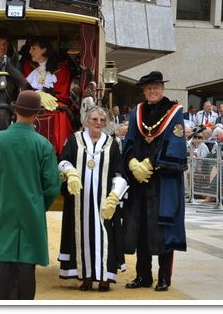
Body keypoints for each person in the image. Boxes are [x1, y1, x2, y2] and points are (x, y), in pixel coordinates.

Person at [0, 90, 61, 300]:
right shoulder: (44, 145)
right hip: (32, 211)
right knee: (27, 263)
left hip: (3, 207)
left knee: (4, 261)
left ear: (15, 110)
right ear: (36, 115)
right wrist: (37, 204)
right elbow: (52, 185)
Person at [122, 71, 187, 292]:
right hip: (140, 180)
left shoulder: (174, 112)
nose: (153, 90)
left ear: (163, 88)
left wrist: (150, 164)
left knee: (163, 227)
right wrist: (132, 163)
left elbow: (175, 144)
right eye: (148, 88)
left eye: (156, 87)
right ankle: (143, 275)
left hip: (162, 179)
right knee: (140, 227)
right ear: (143, 90)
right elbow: (129, 139)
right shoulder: (137, 112)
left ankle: (163, 277)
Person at [58, 106, 128, 292]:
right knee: (82, 236)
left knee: (105, 236)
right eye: (94, 119)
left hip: (104, 202)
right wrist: (70, 171)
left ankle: (105, 277)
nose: (98, 123)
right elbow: (62, 161)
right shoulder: (74, 141)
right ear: (87, 121)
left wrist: (114, 196)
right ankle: (87, 276)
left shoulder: (111, 144)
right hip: (78, 202)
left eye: (102, 120)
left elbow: (119, 173)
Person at [23, 38, 74, 156]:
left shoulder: (62, 69)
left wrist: (50, 100)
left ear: (44, 50)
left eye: (34, 48)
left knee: (59, 113)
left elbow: (63, 94)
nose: (30, 51)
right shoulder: (26, 67)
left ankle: (58, 152)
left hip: (54, 103)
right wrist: (37, 96)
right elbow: (24, 88)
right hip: (31, 103)